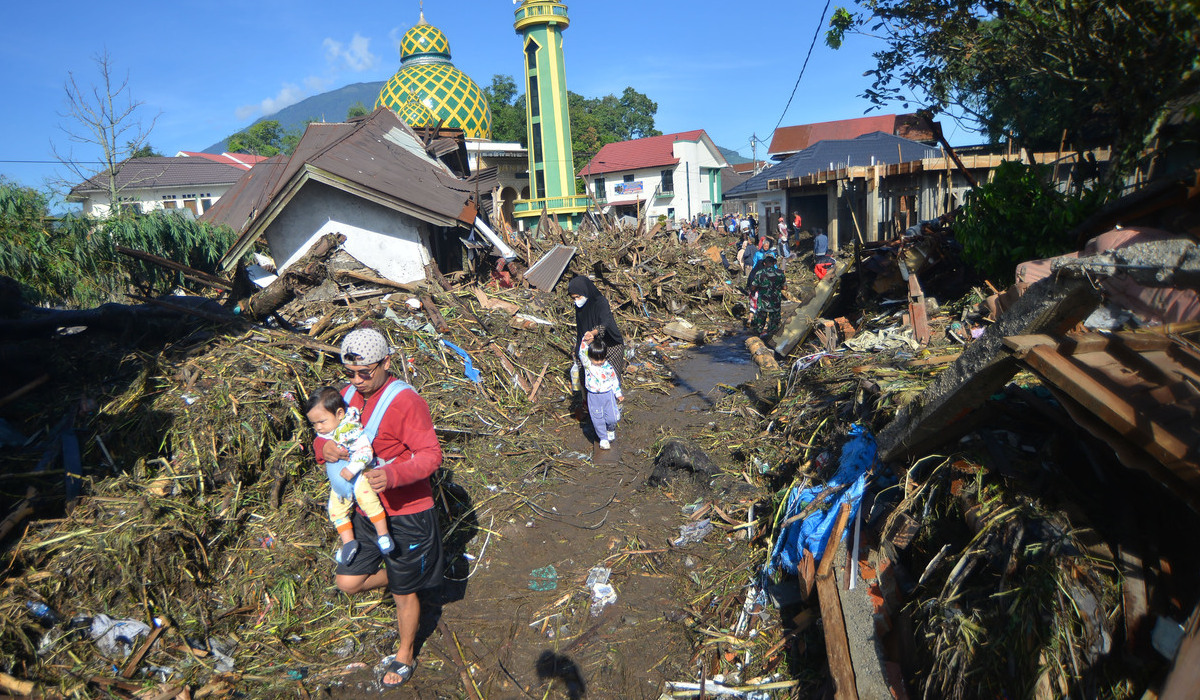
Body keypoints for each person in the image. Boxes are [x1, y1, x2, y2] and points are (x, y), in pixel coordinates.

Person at [317, 328, 444, 690]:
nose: (356, 381)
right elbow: (323, 432)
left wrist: (392, 475)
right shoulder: (346, 397)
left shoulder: (406, 402)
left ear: (386, 363)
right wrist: (322, 449)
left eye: (364, 373)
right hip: (366, 510)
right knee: (348, 581)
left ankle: (405, 652)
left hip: (406, 511)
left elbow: (431, 455)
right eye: (349, 373)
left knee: (404, 592)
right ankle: (408, 572)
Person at [306, 387, 394, 566]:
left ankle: (383, 534)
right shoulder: (327, 432)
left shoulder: (351, 430)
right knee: (335, 510)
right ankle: (348, 542)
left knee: (368, 501)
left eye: (321, 421)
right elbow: (319, 444)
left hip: (359, 475)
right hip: (340, 484)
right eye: (314, 424)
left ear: (339, 414)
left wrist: (352, 469)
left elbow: (365, 452)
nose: (318, 427)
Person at [568, 275, 625, 375]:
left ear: (585, 291)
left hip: (610, 346)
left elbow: (605, 323)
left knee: (610, 378)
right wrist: (579, 348)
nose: (576, 300)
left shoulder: (600, 302)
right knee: (589, 377)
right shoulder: (580, 307)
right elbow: (581, 329)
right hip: (592, 347)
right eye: (574, 298)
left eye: (578, 297)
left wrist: (593, 333)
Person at [579, 331, 623, 449]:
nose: (599, 362)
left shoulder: (608, 367)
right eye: (596, 359)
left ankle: (610, 429)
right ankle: (603, 438)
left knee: (612, 417)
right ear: (590, 357)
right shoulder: (588, 365)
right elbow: (582, 352)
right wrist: (585, 340)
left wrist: (618, 393)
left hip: (608, 395)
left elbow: (614, 380)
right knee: (597, 417)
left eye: (601, 359)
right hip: (594, 396)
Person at [749, 255, 786, 338]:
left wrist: (759, 288)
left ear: (764, 263)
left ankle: (757, 334)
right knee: (774, 319)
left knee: (760, 318)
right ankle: (772, 336)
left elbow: (753, 287)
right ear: (774, 263)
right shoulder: (780, 273)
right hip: (775, 300)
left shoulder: (759, 273)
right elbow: (785, 287)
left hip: (763, 301)